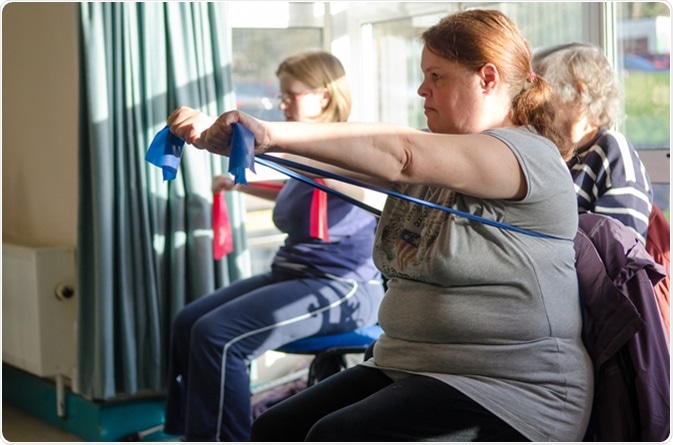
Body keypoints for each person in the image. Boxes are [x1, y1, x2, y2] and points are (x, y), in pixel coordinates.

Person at [167, 9, 594, 442]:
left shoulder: (526, 156)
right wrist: (238, 142)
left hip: (509, 390)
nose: (421, 88)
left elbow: (401, 154)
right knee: (275, 428)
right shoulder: (448, 157)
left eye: (437, 76)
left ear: (486, 79)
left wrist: (268, 132)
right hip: (410, 364)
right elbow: (327, 159)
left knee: (333, 436)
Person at [162, 50, 385, 442]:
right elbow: (301, 188)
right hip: (293, 272)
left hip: (341, 285)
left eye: (290, 95)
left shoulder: (351, 147)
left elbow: (332, 176)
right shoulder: (305, 156)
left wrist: (241, 137)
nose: (282, 103)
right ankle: (192, 434)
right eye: (280, 95)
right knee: (187, 323)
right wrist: (240, 185)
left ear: (324, 97)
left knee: (218, 336)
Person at [532, 42, 653, 244]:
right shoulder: (552, 151)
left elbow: (622, 252)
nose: (536, 102)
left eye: (544, 92)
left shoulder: (613, 151)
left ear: (578, 93)